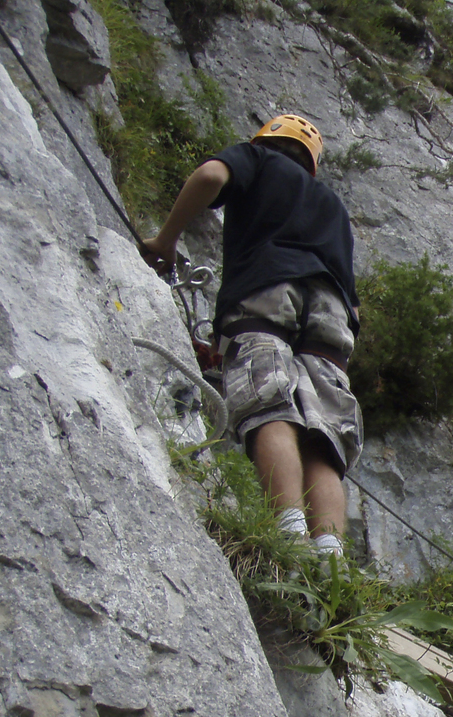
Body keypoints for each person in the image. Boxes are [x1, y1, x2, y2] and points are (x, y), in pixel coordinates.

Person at [140, 113, 360, 557]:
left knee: (270, 404)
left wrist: (166, 241)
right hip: (331, 317)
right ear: (311, 161)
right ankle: (332, 561)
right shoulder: (333, 206)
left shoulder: (258, 160)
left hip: (268, 291)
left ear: (266, 140)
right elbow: (354, 307)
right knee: (322, 434)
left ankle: (290, 536)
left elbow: (210, 175)